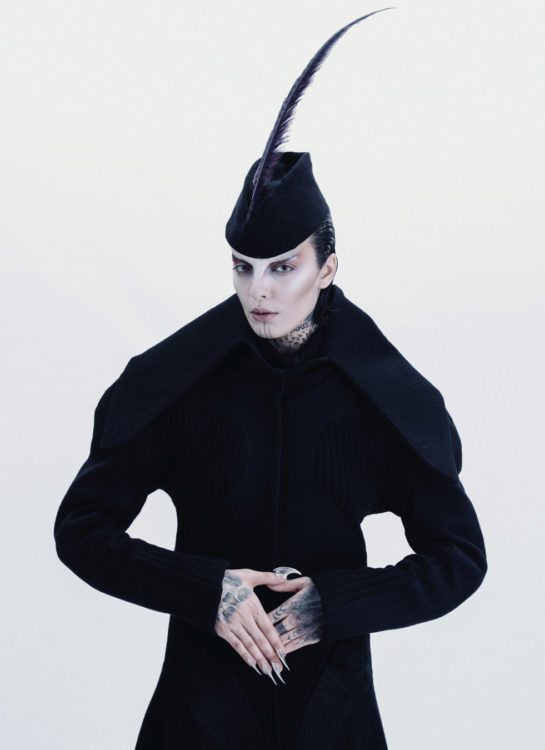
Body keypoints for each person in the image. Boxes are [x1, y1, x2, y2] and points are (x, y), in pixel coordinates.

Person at [53, 9, 487, 749]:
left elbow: (459, 559)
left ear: (328, 266)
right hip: (198, 715)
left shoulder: (379, 396)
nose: (260, 291)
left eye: (283, 267)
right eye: (243, 267)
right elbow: (81, 530)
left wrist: (336, 604)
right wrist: (206, 592)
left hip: (335, 716)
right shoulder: (180, 385)